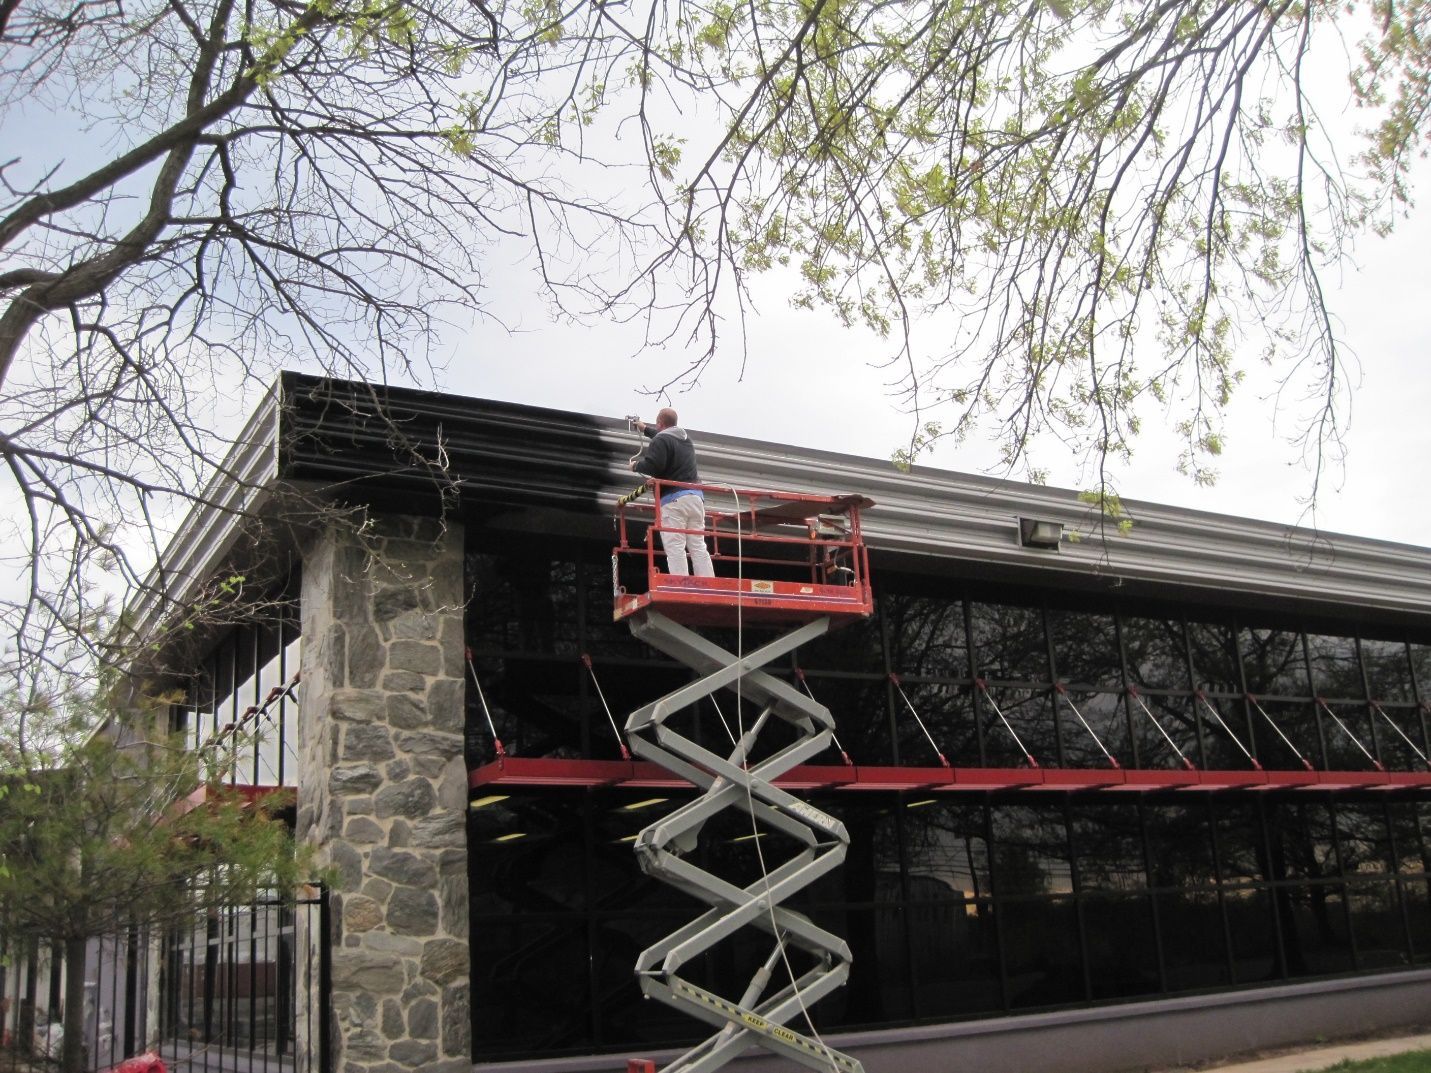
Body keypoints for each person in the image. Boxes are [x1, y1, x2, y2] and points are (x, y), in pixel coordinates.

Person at [630, 407, 715, 577]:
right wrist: (645, 429)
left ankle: (681, 586)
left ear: (660, 423)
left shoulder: (661, 441)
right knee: (698, 545)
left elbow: (654, 465)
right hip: (695, 498)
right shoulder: (685, 440)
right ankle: (708, 583)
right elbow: (664, 440)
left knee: (675, 546)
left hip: (674, 501)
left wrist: (635, 466)